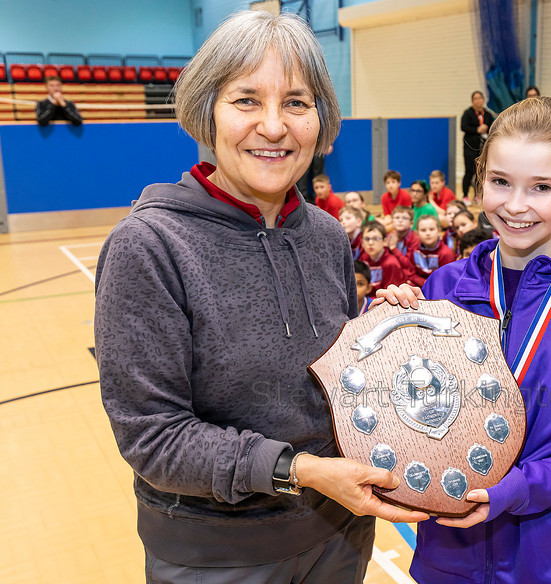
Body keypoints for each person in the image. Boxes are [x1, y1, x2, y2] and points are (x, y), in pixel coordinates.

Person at [94, 11, 427, 583]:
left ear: (320, 120)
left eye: (296, 102)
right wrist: (300, 470)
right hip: (217, 556)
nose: (273, 127)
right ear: (206, 111)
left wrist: (390, 335)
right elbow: (153, 437)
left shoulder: (325, 235)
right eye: (246, 100)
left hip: (339, 535)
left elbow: (334, 389)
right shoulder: (148, 247)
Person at [376, 96, 551, 583]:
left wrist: (521, 486)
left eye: (541, 187)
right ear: (480, 178)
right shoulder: (442, 288)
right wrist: (382, 336)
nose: (516, 206)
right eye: (500, 182)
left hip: (547, 552)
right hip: (448, 546)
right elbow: (406, 416)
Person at [461, 90, 495, 201]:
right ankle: (465, 195)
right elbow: (463, 127)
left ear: (483, 100)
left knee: (480, 172)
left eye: (480, 98)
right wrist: (477, 129)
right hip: (470, 148)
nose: (478, 100)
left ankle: (478, 195)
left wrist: (486, 129)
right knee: (469, 172)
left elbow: (493, 129)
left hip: (483, 148)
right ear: (472, 101)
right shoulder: (468, 113)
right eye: (475, 98)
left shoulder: (488, 114)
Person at [359, 221, 407, 295]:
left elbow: (391, 296)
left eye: (376, 238)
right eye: (367, 239)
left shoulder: (391, 263)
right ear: (362, 242)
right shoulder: (363, 258)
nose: (370, 243)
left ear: (384, 241)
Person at [406, 215, 456, 286]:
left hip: (439, 289)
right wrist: (424, 283)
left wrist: (427, 285)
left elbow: (446, 280)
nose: (428, 233)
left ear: (439, 231)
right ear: (417, 233)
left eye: (432, 229)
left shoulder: (446, 253)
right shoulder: (414, 250)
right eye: (423, 230)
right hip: (420, 287)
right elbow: (411, 274)